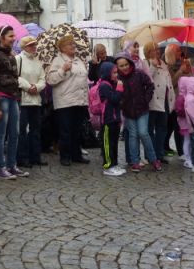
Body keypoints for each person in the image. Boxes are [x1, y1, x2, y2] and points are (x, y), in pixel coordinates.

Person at [0, 26, 28, 179]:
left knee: (14, 133)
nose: (13, 38)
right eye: (10, 36)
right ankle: (0, 167)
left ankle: (12, 165)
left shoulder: (10, 55)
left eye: (14, 35)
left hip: (12, 97)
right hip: (1, 97)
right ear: (2, 37)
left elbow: (15, 77)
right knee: (0, 133)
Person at [46, 35, 90, 166]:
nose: (73, 46)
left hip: (79, 100)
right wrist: (63, 70)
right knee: (65, 130)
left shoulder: (78, 60)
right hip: (65, 101)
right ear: (62, 48)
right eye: (69, 44)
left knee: (77, 130)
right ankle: (65, 156)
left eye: (73, 44)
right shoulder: (58, 61)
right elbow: (51, 79)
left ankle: (76, 155)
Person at [115, 52, 161, 172]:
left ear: (130, 63)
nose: (124, 67)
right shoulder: (117, 78)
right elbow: (116, 94)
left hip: (142, 110)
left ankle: (153, 159)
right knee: (133, 135)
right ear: (117, 67)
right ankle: (135, 162)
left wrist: (146, 100)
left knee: (143, 133)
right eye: (121, 66)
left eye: (126, 64)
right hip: (128, 111)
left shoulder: (139, 73)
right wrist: (120, 103)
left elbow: (150, 85)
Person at [16, 36, 47, 167]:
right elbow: (15, 76)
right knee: (22, 130)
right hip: (23, 100)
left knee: (36, 129)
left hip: (36, 100)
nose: (34, 47)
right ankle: (22, 157)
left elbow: (43, 78)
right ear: (24, 47)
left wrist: (37, 87)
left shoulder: (37, 61)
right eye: (30, 45)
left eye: (34, 45)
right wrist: (28, 87)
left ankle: (35, 156)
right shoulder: (18, 59)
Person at [143, 42, 175, 164]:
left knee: (162, 129)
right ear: (148, 52)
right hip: (152, 101)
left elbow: (168, 82)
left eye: (158, 49)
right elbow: (147, 79)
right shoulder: (145, 63)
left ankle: (159, 154)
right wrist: (153, 67)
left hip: (164, 101)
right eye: (154, 50)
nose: (157, 51)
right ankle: (150, 155)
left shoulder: (163, 64)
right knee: (150, 129)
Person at [98, 62, 125, 176]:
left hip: (115, 119)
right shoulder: (104, 85)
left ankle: (114, 164)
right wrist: (119, 89)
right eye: (114, 73)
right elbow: (114, 99)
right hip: (108, 120)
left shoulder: (112, 84)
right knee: (108, 144)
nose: (116, 75)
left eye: (116, 72)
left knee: (114, 143)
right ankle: (108, 165)